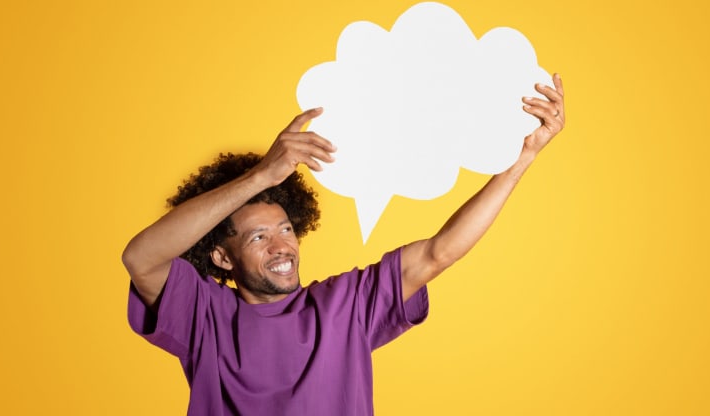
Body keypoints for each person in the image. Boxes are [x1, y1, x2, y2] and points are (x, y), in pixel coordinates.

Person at [123, 73, 565, 415]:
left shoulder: (345, 306)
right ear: (222, 256)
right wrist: (260, 176)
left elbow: (440, 251)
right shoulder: (205, 315)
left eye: (285, 230)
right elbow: (140, 257)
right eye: (258, 236)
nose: (281, 247)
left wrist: (523, 156)